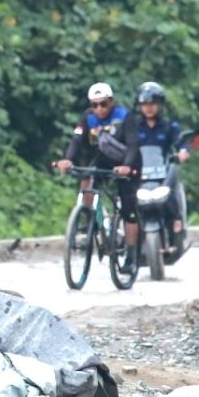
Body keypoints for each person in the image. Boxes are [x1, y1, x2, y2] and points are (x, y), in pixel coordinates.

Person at [54, 81, 140, 273]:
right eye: (94, 105)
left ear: (111, 102)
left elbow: (134, 145)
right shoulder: (88, 117)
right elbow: (76, 140)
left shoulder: (124, 116)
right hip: (101, 160)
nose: (99, 109)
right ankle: (89, 216)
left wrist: (126, 166)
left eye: (103, 104)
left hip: (126, 162)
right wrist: (67, 160)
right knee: (86, 177)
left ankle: (131, 257)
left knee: (128, 209)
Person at [133, 81, 190, 239]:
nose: (149, 107)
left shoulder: (169, 126)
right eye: (145, 104)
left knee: (174, 182)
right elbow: (122, 142)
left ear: (160, 105)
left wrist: (183, 152)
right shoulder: (133, 126)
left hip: (161, 171)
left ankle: (177, 219)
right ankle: (123, 230)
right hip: (139, 171)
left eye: (153, 103)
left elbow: (181, 142)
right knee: (124, 195)